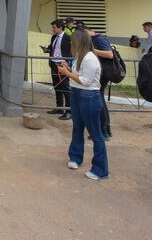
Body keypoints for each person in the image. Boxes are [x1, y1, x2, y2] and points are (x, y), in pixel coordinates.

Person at [58, 29, 109, 181]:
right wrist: (67, 68)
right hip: (76, 93)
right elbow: (78, 77)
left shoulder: (90, 58)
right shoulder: (80, 56)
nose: (71, 44)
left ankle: (100, 169)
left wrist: (66, 73)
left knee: (95, 133)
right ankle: (75, 157)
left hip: (89, 97)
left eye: (73, 42)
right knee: (77, 127)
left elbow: (85, 81)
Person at [81, 23, 115, 140]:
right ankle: (105, 130)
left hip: (102, 74)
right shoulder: (94, 39)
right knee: (100, 101)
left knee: (98, 102)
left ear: (86, 31)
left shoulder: (99, 39)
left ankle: (103, 132)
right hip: (99, 73)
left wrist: (92, 50)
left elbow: (110, 54)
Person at [44, 19, 71, 120]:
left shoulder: (68, 38)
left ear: (60, 27)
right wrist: (47, 49)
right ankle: (59, 107)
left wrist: (68, 63)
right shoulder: (54, 37)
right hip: (53, 64)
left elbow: (72, 51)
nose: (52, 29)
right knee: (57, 86)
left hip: (63, 65)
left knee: (65, 88)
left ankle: (69, 111)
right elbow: (52, 48)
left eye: (54, 27)